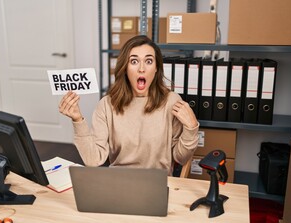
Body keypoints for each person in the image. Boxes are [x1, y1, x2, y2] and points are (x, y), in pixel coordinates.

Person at [59, 35, 199, 175]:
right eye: (134, 61)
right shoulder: (106, 105)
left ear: (156, 68)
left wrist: (191, 128)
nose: (141, 68)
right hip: (119, 182)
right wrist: (77, 120)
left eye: (149, 61)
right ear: (125, 68)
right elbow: (93, 160)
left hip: (158, 183)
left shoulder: (172, 101)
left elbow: (180, 157)